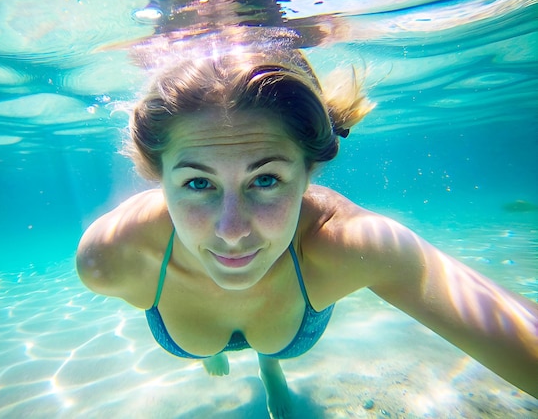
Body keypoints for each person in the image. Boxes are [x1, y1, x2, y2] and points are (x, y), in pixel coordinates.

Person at [76, 44, 538, 418]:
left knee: (264, 344)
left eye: (266, 179)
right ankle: (212, 351)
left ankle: (267, 364)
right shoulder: (113, 256)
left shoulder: (347, 243)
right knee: (207, 346)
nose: (232, 231)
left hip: (284, 301)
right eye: (198, 183)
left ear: (309, 173)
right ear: (157, 177)